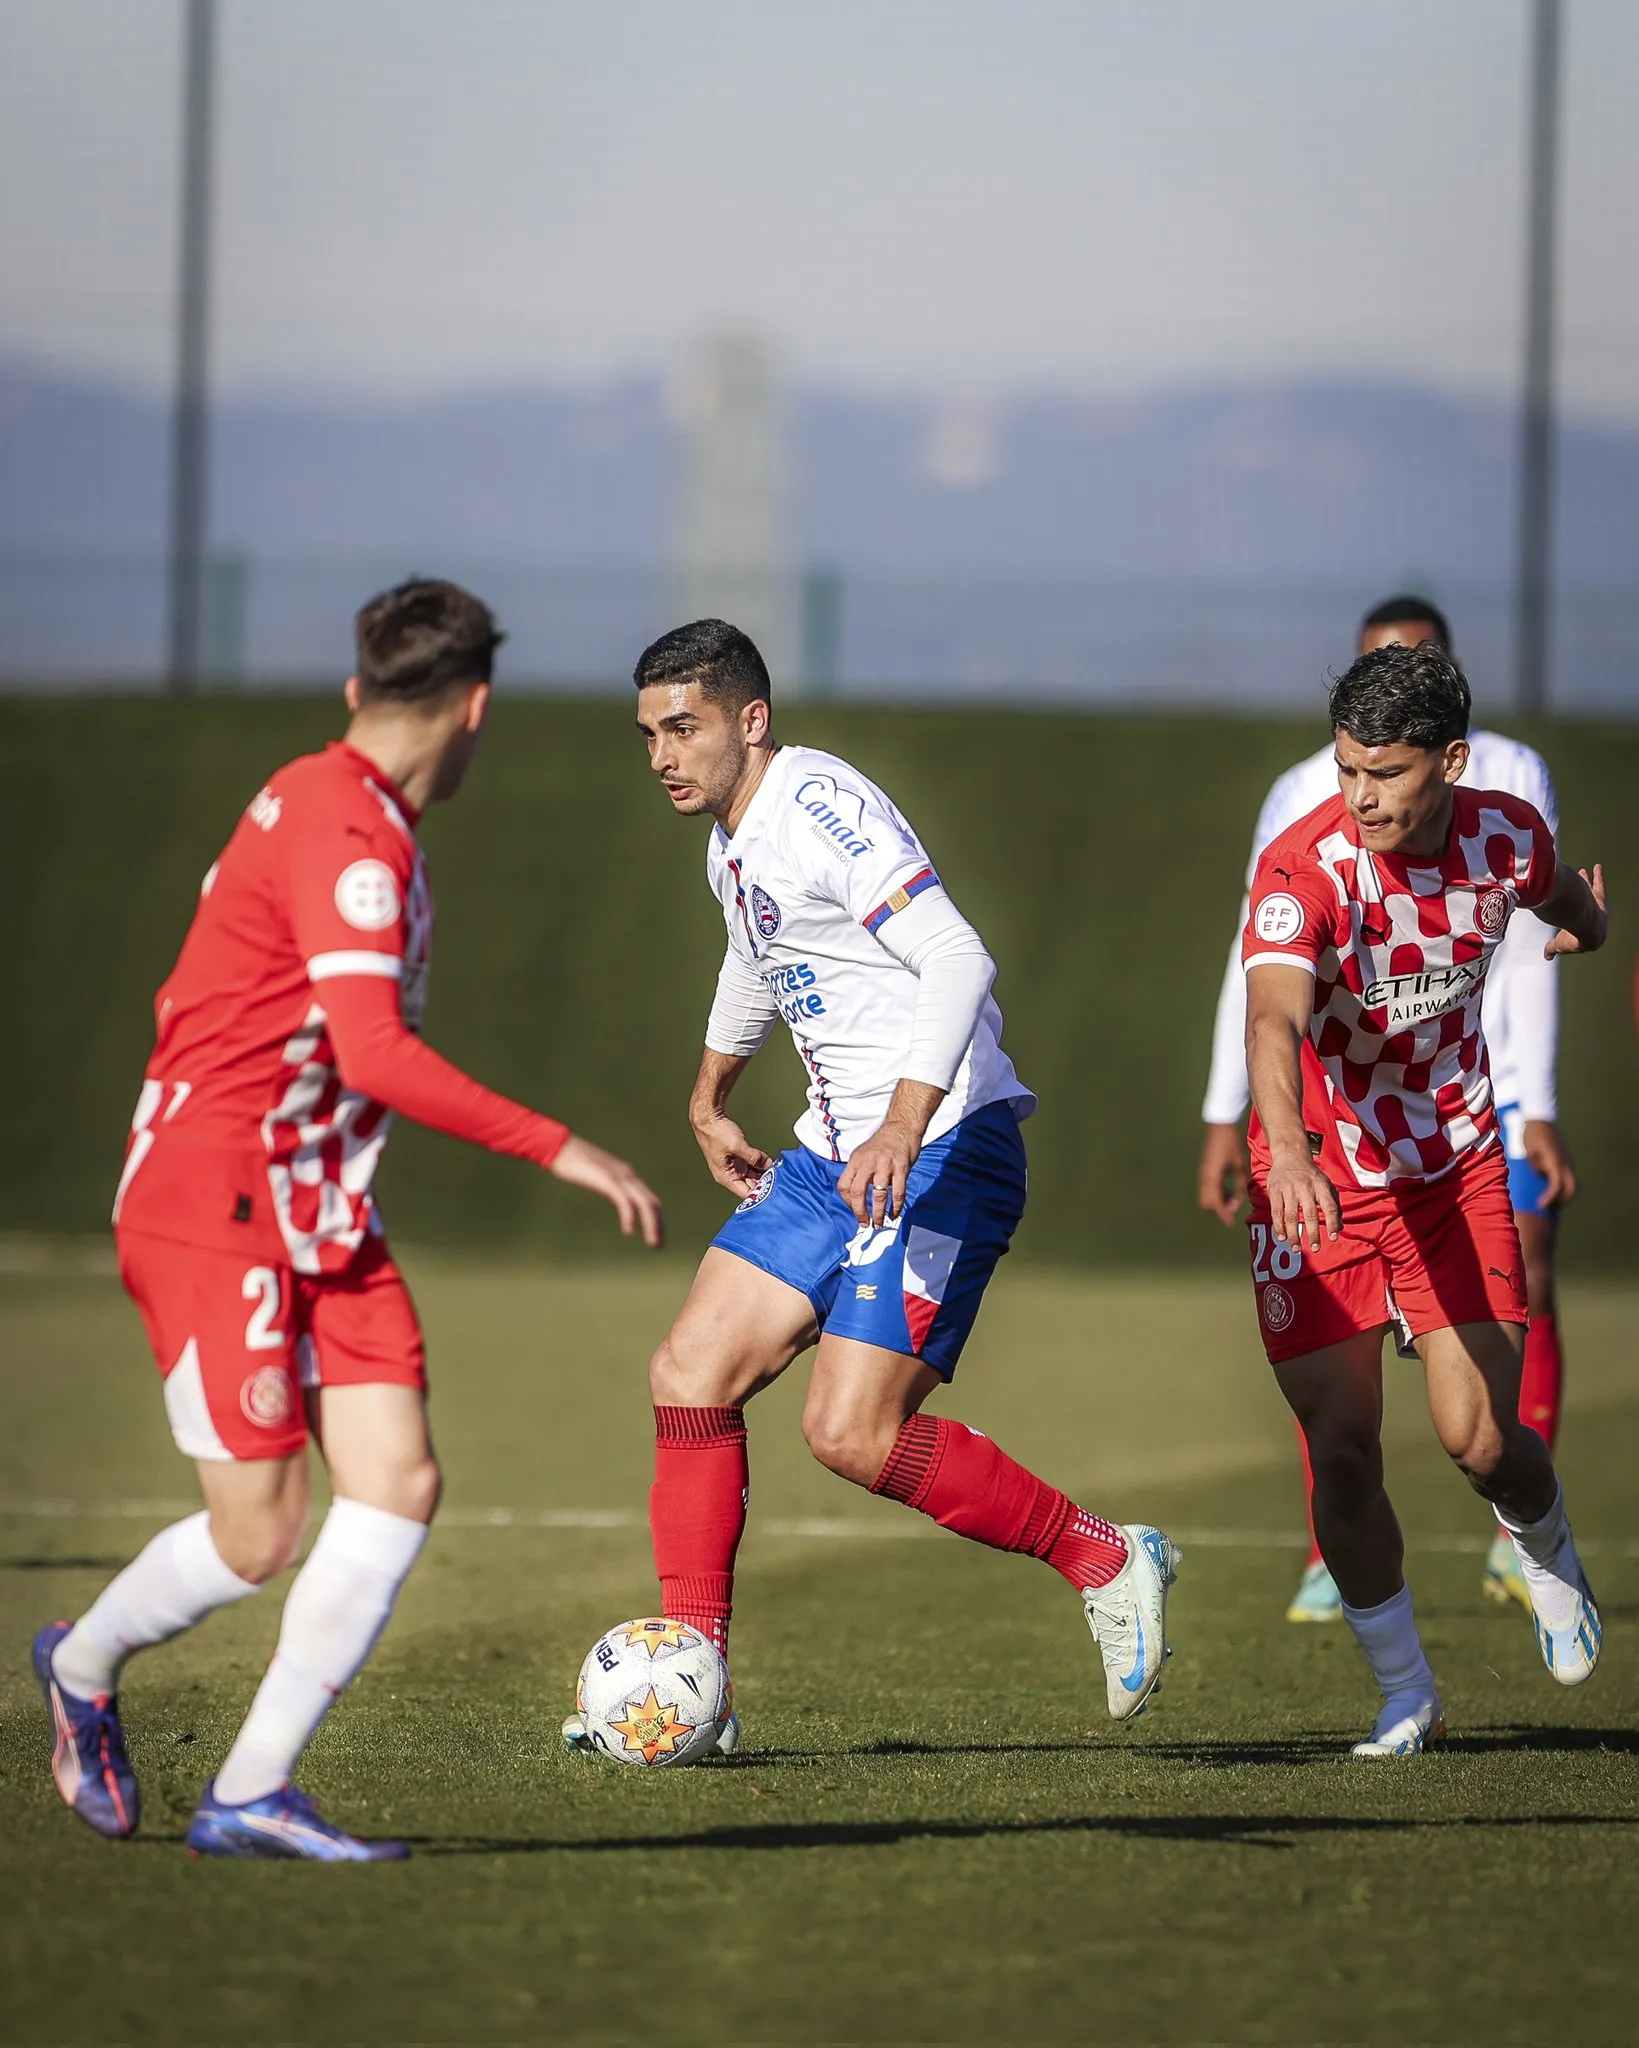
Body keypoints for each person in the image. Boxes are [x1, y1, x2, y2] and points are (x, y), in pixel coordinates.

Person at [34, 578, 664, 1860]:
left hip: (317, 1205)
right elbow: (373, 1053)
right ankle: (82, 1666)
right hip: (216, 1197)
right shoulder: (343, 830)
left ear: (357, 690)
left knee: (395, 1480)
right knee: (258, 1531)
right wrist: (559, 1144)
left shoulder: (363, 813)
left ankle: (251, 1789)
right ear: (476, 706)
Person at [564, 617, 1180, 1754]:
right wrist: (707, 1100)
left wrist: (901, 1123)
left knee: (849, 1433)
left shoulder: (815, 803)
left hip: (944, 1142)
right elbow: (755, 962)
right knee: (689, 1370)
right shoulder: (730, 843)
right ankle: (697, 1687)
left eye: (683, 726)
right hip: (832, 1154)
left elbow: (957, 955)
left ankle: (1105, 1553)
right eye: (648, 731)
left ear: (751, 719)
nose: (661, 752)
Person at [1242, 636, 1605, 1756]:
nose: (1359, 796)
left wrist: (1583, 924)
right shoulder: (1310, 867)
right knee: (1342, 1444)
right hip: (1317, 1182)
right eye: (1346, 768)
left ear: (1449, 760)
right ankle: (1405, 1689)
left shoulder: (1507, 833)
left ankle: (1543, 1544)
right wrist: (1292, 1149)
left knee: (1482, 1438)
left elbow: (1561, 896)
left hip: (1453, 1165)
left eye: (1385, 773)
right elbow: (1271, 1020)